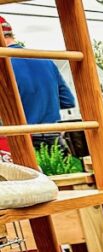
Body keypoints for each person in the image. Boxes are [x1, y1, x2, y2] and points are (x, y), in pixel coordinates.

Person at [0, 16, 75, 151]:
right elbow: (68, 101)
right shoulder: (46, 61)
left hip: (22, 141)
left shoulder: (3, 65)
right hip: (54, 137)